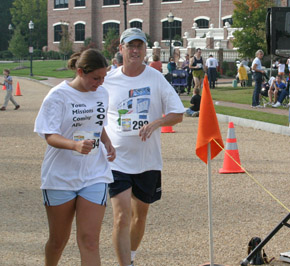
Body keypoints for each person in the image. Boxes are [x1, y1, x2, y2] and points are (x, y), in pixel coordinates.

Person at [102, 27, 185, 266]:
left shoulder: (155, 78)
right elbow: (94, 113)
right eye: (130, 46)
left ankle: (131, 257)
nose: (135, 50)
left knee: (140, 216)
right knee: (121, 217)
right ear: (121, 49)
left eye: (139, 46)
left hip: (147, 160)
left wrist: (156, 123)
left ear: (145, 49)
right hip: (116, 159)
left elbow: (178, 113)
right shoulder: (108, 80)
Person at [33, 49, 116, 266]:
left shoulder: (102, 93)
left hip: (94, 174)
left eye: (103, 77)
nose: (100, 83)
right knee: (58, 240)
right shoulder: (58, 96)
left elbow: (98, 124)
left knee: (90, 241)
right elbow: (49, 135)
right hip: (60, 176)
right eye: (95, 78)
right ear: (80, 71)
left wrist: (107, 142)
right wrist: (75, 145)